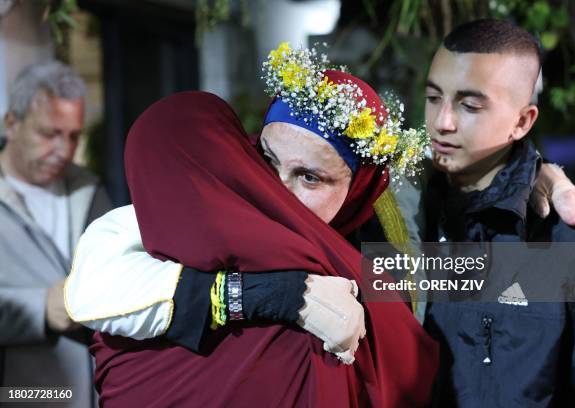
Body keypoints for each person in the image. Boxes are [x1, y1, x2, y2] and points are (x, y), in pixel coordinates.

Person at [70, 57, 441, 405]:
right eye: (266, 160)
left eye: (309, 177)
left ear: (357, 192)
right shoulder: (202, 205)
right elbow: (92, 286)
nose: (276, 188)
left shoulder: (382, 269)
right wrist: (260, 295)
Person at [422, 19, 575, 406]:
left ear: (522, 121)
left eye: (470, 105)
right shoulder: (400, 220)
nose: (443, 122)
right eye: (433, 97)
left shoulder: (574, 246)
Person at [0, 61, 112, 407]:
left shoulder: (88, 189)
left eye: (74, 135)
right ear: (11, 123)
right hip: (22, 395)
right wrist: (40, 307)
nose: (65, 151)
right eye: (50, 134)